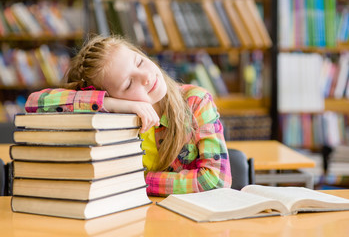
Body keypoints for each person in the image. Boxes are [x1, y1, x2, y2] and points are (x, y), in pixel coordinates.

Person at [25, 35, 232, 196]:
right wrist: (110, 104)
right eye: (128, 84)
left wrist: (136, 181)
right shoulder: (109, 110)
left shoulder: (196, 102)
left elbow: (215, 181)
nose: (146, 77)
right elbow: (35, 103)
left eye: (140, 62)